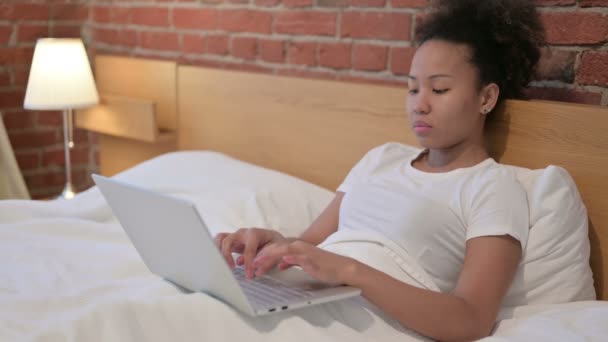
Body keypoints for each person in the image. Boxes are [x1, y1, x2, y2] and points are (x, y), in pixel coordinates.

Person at [214, 0, 545, 340]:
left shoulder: (493, 186)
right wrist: (275, 244)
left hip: (370, 320)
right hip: (311, 295)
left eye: (440, 89)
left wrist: (349, 271)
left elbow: (471, 320)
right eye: (413, 88)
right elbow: (313, 242)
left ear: (486, 98)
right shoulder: (382, 158)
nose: (420, 104)